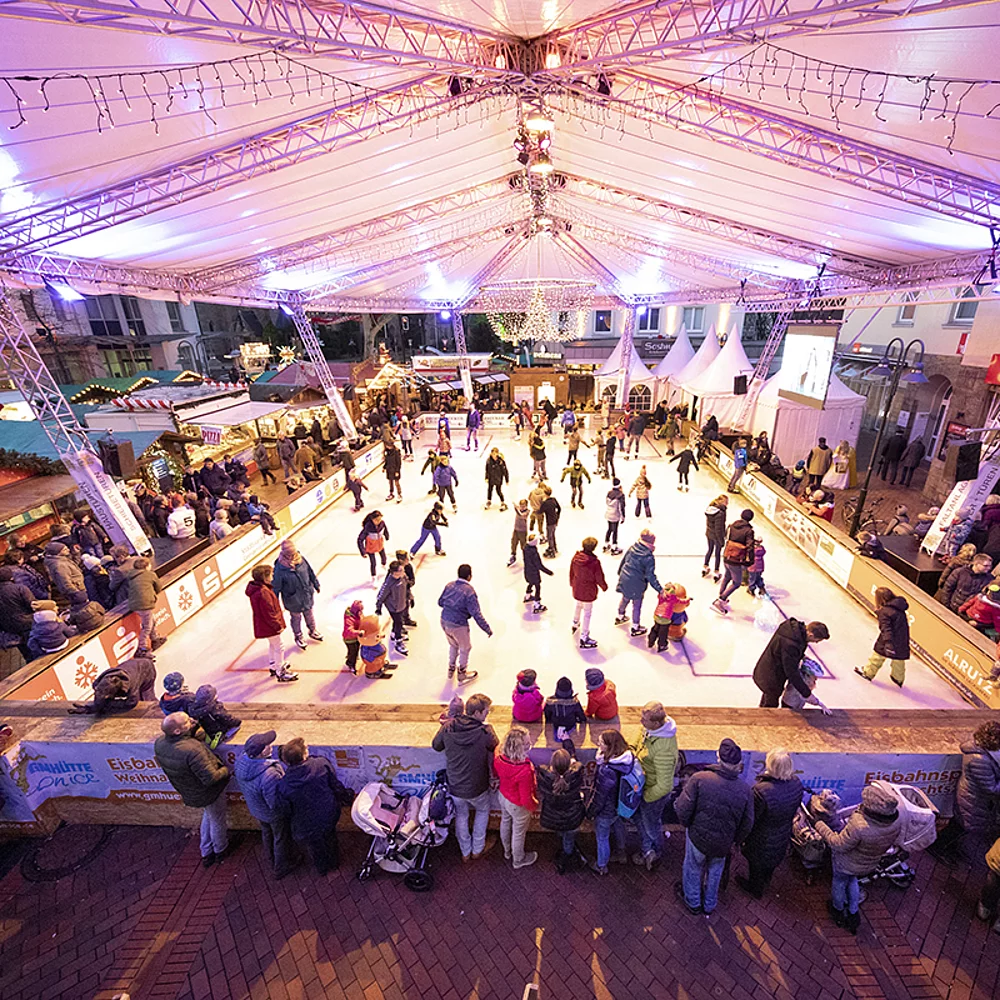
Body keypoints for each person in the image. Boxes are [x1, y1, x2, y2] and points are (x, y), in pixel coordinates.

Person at [675, 738, 754, 916]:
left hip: (698, 837)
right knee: (715, 871)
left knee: (693, 868)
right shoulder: (745, 790)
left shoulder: (699, 779)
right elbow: (747, 823)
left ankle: (693, 902)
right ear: (738, 764)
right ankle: (710, 904)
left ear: (718, 757)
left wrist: (688, 825)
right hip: (723, 843)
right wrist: (735, 840)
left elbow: (682, 808)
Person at [815, 783, 901, 934]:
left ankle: (838, 910)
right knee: (852, 880)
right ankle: (854, 914)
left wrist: (820, 825)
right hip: (868, 863)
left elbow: (838, 844)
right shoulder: (895, 822)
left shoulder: (859, 825)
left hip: (845, 862)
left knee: (840, 883)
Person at [154, 712, 230, 867]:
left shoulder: (160, 743)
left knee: (209, 815)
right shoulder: (192, 749)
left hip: (190, 790)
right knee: (217, 819)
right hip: (208, 792)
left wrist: (191, 733)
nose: (193, 721)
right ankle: (221, 849)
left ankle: (206, 850)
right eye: (188, 721)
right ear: (177, 731)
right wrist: (226, 770)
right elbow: (211, 778)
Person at [431, 692, 498, 861]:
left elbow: (436, 746)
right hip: (478, 786)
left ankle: (465, 852)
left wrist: (445, 724)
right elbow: (494, 746)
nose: (487, 715)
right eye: (486, 712)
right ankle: (478, 848)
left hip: (455, 785)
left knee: (461, 815)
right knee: (482, 812)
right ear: (476, 713)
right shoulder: (485, 731)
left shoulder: (448, 727)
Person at [275, 738, 353, 875]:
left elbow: (284, 808)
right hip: (328, 814)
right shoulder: (320, 764)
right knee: (330, 837)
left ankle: (322, 868)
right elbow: (335, 785)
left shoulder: (284, 784)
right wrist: (346, 797)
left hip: (305, 823)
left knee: (315, 846)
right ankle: (334, 863)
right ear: (304, 755)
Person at [738, 748, 804, 899]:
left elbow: (752, 818)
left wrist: (742, 838)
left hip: (761, 840)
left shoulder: (761, 791)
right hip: (782, 835)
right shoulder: (796, 783)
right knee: (771, 862)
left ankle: (755, 889)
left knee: (756, 866)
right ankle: (766, 879)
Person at [234, 730, 296, 878]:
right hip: (272, 813)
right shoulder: (269, 775)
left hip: (257, 809)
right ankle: (281, 867)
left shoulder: (241, 762)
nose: (271, 747)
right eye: (267, 746)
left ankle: (270, 858)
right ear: (261, 753)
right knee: (281, 838)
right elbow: (274, 801)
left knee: (267, 833)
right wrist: (287, 810)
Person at [634, 702, 678, 870]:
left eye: (644, 719)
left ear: (657, 723)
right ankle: (647, 849)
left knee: (651, 823)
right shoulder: (649, 730)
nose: (640, 722)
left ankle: (656, 851)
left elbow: (665, 785)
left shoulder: (664, 749)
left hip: (653, 794)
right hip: (644, 785)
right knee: (641, 819)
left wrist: (646, 796)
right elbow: (638, 740)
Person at [753, 618, 832, 710]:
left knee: (768, 696)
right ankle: (764, 720)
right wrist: (807, 694)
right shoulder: (791, 644)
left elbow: (787, 651)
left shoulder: (794, 632)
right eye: (817, 640)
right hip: (771, 676)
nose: (817, 642)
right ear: (810, 634)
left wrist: (802, 656)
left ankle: (762, 709)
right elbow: (792, 673)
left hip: (767, 670)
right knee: (771, 704)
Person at [587, 729, 636, 875]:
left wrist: (591, 812)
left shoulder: (606, 770)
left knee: (602, 837)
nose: (598, 745)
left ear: (609, 746)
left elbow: (600, 796)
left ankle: (601, 865)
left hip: (606, 810)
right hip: (620, 805)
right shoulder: (627, 760)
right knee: (618, 826)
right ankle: (621, 852)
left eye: (601, 743)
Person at [437, 564, 492, 683]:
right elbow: (476, 613)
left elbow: (440, 602)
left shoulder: (449, 585)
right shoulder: (469, 592)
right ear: (469, 576)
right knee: (465, 648)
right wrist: (487, 628)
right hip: (458, 625)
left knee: (453, 645)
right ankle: (462, 673)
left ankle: (451, 668)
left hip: (444, 620)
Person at [536, 746, 587, 873]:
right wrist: (573, 758)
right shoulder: (574, 777)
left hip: (552, 817)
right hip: (572, 818)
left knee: (562, 832)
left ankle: (565, 846)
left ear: (552, 764)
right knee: (569, 837)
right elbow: (579, 767)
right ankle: (567, 853)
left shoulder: (545, 777)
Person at [494, 726, 538, 869]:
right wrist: (534, 806)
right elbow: (526, 798)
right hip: (517, 804)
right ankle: (518, 859)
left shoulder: (499, 758)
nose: (529, 745)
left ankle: (507, 851)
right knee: (518, 833)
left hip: (503, 796)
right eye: (526, 744)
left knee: (505, 822)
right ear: (519, 748)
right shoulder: (525, 770)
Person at [246, 564, 298, 682]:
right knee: (279, 646)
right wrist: (277, 626)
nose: (273, 576)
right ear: (264, 577)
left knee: (273, 644)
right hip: (269, 626)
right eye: (270, 574)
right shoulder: (263, 592)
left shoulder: (259, 590)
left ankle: (274, 665)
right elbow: (269, 613)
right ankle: (281, 671)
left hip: (264, 625)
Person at [272, 539, 323, 649]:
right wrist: (274, 601)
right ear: (285, 553)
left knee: (309, 614)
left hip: (306, 594)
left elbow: (310, 572)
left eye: (293, 552)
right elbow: (276, 586)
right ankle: (298, 636)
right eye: (290, 554)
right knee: (296, 618)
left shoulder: (301, 559)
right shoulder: (280, 568)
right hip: (292, 598)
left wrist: (315, 584)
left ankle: (312, 630)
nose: (292, 555)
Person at [854, 587, 910, 688]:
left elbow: (886, 628)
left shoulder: (885, 611)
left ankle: (868, 672)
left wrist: (888, 642)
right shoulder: (899, 607)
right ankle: (898, 678)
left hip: (889, 638)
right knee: (899, 660)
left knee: (877, 656)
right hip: (902, 638)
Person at [615, 528, 661, 637]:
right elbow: (650, 575)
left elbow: (624, 561)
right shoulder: (648, 557)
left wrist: (620, 573)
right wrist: (660, 589)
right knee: (636, 605)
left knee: (625, 598)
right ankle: (635, 627)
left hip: (625, 578)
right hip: (637, 583)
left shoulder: (632, 548)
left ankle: (620, 616)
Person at [712, 508, 755, 615]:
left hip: (727, 554)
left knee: (727, 576)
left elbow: (726, 537)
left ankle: (721, 595)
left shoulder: (732, 526)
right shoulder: (749, 531)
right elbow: (750, 547)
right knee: (737, 582)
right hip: (736, 559)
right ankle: (721, 600)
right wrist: (750, 560)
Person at [570, 536, 607, 649]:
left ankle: (575, 623)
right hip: (588, 591)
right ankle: (584, 637)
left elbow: (571, 572)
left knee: (578, 604)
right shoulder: (594, 563)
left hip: (577, 587)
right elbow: (599, 577)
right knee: (587, 613)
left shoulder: (576, 558)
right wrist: (604, 586)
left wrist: (572, 583)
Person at [125, 557, 164, 656]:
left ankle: (155, 639)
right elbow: (158, 587)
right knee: (147, 627)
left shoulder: (131, 576)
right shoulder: (150, 574)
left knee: (151, 620)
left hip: (134, 604)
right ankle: (142, 648)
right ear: (146, 566)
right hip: (145, 603)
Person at [376, 560, 410, 656]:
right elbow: (381, 595)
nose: (403, 571)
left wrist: (410, 597)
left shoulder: (403, 577)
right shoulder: (389, 583)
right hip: (393, 607)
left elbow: (406, 588)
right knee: (399, 622)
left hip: (402, 604)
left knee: (398, 621)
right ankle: (398, 641)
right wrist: (378, 607)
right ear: (395, 572)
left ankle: (394, 633)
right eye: (401, 570)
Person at [544, 676, 587, 740]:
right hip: (570, 724)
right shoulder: (574, 702)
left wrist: (549, 720)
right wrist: (582, 720)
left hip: (556, 724)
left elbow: (547, 713)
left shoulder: (551, 702)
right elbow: (581, 715)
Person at [357, 510, 389, 584]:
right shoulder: (368, 527)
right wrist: (363, 551)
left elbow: (385, 529)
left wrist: (387, 536)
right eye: (376, 520)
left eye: (380, 519)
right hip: (370, 547)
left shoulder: (382, 523)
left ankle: (384, 565)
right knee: (373, 563)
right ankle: (374, 577)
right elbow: (360, 539)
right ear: (372, 520)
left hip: (379, 544)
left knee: (384, 557)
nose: (378, 521)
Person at [523, 535, 552, 614]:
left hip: (527, 571)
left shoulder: (525, 548)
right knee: (537, 587)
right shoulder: (534, 553)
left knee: (530, 583)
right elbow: (539, 565)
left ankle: (527, 596)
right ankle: (537, 604)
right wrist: (549, 572)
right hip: (534, 573)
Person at [703, 495, 728, 581]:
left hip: (709, 533)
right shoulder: (720, 513)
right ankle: (716, 571)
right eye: (726, 502)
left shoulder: (710, 509)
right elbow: (718, 528)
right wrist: (721, 540)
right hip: (716, 536)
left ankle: (705, 566)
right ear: (721, 501)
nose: (727, 504)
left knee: (710, 550)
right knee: (717, 554)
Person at [603, 478, 626, 555]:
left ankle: (606, 543)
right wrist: (623, 517)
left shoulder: (609, 493)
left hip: (608, 513)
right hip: (615, 515)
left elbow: (606, 502)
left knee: (609, 529)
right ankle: (614, 546)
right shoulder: (620, 495)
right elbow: (621, 507)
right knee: (615, 530)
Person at [540, 487, 562, 558]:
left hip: (549, 521)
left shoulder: (545, 503)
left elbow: (540, 511)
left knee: (549, 536)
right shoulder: (553, 500)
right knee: (552, 535)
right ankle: (554, 548)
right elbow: (559, 508)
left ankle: (552, 550)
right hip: (555, 520)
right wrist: (557, 515)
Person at [508, 499, 529, 567]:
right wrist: (515, 505)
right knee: (513, 542)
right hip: (516, 529)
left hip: (522, 531)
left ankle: (526, 557)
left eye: (523, 506)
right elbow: (517, 507)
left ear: (526, 506)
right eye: (521, 506)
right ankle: (513, 555)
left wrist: (516, 509)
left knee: (523, 545)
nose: (522, 507)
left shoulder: (527, 512)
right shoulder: (519, 508)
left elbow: (521, 515)